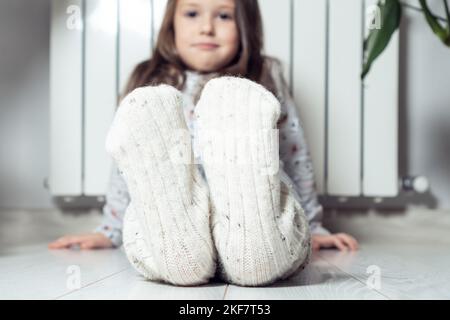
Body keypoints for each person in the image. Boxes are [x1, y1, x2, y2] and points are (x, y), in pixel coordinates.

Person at [49, 0, 358, 285]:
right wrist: (109, 231)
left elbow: (294, 154)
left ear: (246, 25)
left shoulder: (263, 77)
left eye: (224, 16)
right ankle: (182, 242)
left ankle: (246, 239)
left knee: (261, 246)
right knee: (162, 230)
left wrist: (313, 226)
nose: (206, 27)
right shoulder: (150, 79)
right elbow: (127, 169)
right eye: (192, 13)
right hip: (168, 220)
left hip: (256, 213)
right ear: (172, 24)